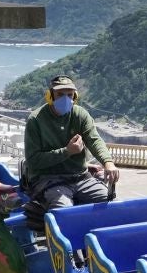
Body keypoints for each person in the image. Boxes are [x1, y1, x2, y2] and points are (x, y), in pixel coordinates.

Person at [22, 75, 118, 225]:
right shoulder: (36, 120)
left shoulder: (80, 114)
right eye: (60, 94)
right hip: (49, 179)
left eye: (69, 94)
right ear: (50, 95)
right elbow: (33, 161)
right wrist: (67, 152)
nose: (66, 98)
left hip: (80, 177)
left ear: (75, 96)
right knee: (64, 211)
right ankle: (62, 247)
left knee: (108, 202)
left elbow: (94, 140)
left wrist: (108, 162)